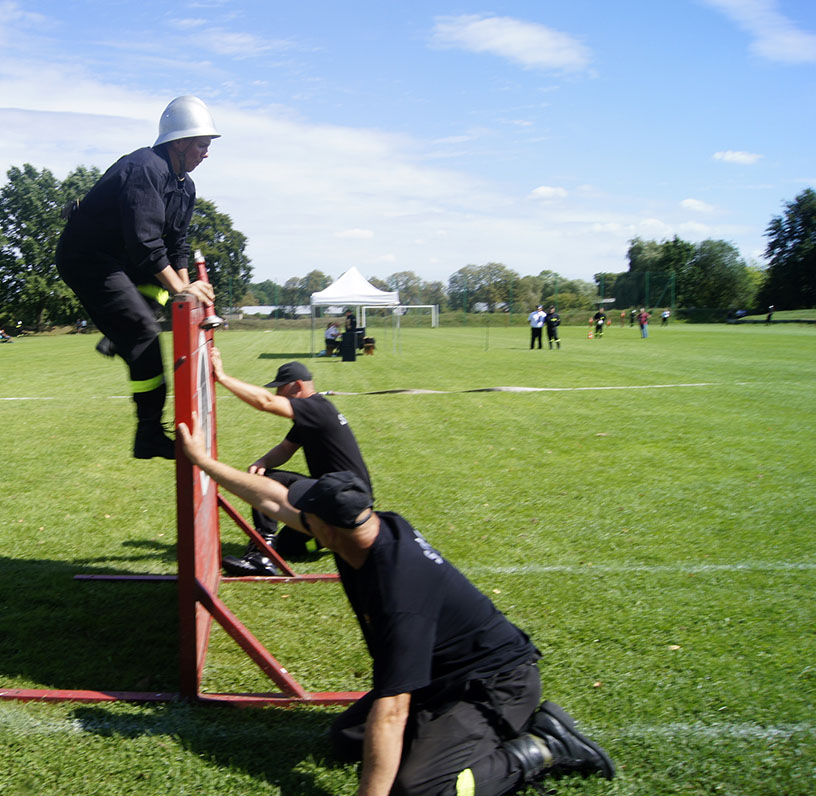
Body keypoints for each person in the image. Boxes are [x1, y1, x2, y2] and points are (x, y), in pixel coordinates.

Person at [176, 427, 616, 796]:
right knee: (347, 738)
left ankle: (543, 746)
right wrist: (203, 461)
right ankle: (454, 735)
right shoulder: (370, 526)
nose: (296, 516)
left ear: (326, 531)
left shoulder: (399, 594)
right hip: (440, 675)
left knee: (418, 789)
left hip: (494, 684)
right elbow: (274, 500)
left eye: (306, 515)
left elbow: (391, 712)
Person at [55, 95, 218, 460]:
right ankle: (148, 434)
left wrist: (186, 290)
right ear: (179, 142)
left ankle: (117, 337)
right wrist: (179, 289)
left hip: (123, 260)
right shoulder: (144, 168)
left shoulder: (184, 186)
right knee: (145, 333)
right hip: (87, 259)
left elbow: (176, 244)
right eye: (202, 145)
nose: (206, 153)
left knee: (164, 297)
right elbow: (146, 244)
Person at [210, 352, 371, 576]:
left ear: (296, 386)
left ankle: (261, 556)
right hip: (349, 499)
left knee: (265, 480)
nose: (277, 394)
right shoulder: (314, 412)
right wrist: (264, 460)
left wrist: (223, 377)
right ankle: (331, 539)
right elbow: (286, 448)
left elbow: (265, 402)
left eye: (280, 389)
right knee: (287, 545)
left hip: (344, 498)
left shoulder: (314, 408)